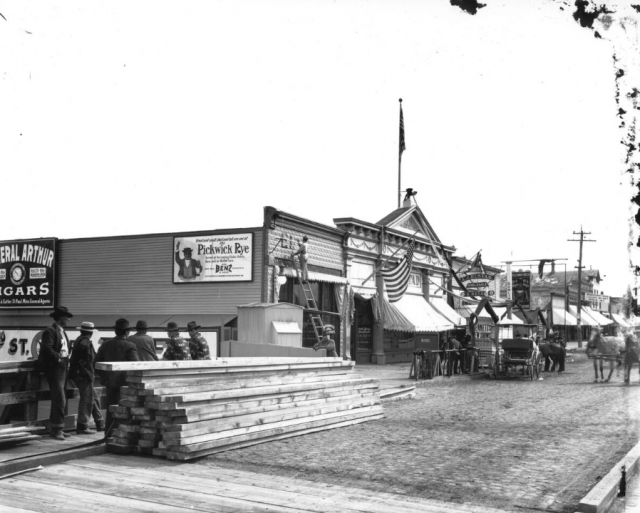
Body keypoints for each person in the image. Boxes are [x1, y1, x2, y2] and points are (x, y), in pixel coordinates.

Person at [95, 318, 139, 437]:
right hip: (125, 383)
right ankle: (121, 435)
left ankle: (109, 433)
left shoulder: (105, 344)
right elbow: (136, 365)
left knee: (110, 408)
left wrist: (105, 376)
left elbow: (97, 362)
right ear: (127, 332)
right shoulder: (130, 346)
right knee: (124, 409)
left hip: (109, 382)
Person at [38, 306, 74, 440]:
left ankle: (57, 427)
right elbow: (47, 348)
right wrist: (58, 358)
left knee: (60, 397)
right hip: (55, 368)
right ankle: (57, 429)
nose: (69, 319)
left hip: (63, 366)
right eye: (66, 317)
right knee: (59, 398)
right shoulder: (50, 331)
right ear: (60, 318)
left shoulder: (62, 332)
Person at [68, 321, 105, 434]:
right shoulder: (85, 342)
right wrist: (85, 366)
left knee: (93, 398)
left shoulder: (80, 340)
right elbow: (85, 355)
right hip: (84, 375)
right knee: (87, 400)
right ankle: (82, 426)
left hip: (81, 374)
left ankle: (100, 423)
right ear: (91, 333)